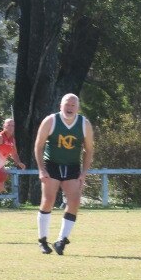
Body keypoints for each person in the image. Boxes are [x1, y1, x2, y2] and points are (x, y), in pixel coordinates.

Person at [34, 93, 94, 255]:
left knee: (74, 201)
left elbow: (89, 150)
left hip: (72, 166)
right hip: (51, 164)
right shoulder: (51, 121)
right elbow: (38, 146)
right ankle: (42, 240)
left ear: (78, 107)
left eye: (73, 105)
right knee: (48, 200)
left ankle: (61, 240)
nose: (70, 108)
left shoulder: (84, 124)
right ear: (61, 106)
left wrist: (84, 173)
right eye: (67, 104)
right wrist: (41, 169)